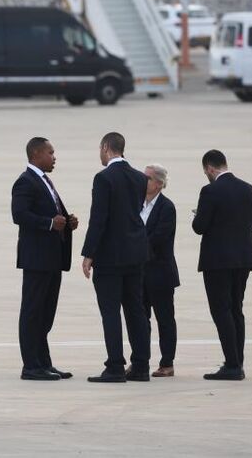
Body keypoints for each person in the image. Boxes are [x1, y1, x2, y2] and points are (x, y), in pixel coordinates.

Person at [81, 132, 151, 383]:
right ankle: (141, 365)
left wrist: (88, 253)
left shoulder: (103, 179)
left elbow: (99, 219)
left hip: (111, 256)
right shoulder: (140, 178)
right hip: (136, 253)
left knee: (110, 311)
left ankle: (115, 366)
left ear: (106, 147)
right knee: (136, 310)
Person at [11, 137, 78, 381]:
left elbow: (51, 212)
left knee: (46, 312)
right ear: (36, 154)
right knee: (33, 311)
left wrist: (66, 221)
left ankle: (44, 362)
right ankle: (31, 365)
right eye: (51, 152)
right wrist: (50, 223)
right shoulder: (25, 182)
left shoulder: (44, 180)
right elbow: (19, 215)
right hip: (36, 259)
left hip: (52, 258)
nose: (54, 157)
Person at [192, 149, 252, 381]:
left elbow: (200, 226)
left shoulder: (210, 191)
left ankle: (232, 364)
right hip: (243, 259)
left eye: (206, 172)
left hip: (218, 261)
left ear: (210, 168)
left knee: (221, 310)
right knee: (236, 309)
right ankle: (237, 361)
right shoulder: (247, 188)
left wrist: (198, 215)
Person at [141, 164, 179, 378]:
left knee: (164, 319)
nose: (142, 181)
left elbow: (158, 238)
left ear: (158, 183)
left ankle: (167, 362)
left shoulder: (167, 207)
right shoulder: (135, 203)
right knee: (140, 319)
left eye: (146, 178)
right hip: (138, 272)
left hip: (160, 273)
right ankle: (140, 360)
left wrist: (133, 246)